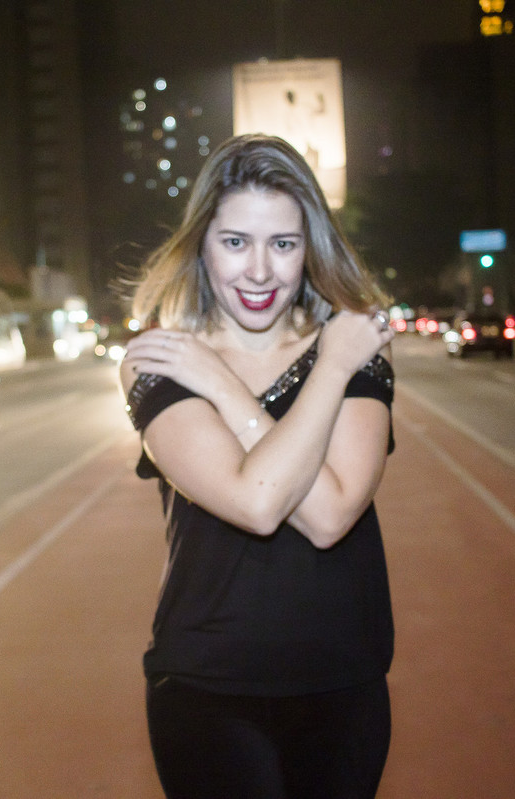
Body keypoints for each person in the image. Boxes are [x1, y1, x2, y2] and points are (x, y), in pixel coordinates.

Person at [120, 133, 397, 799]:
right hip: (207, 689)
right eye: (236, 242)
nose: (260, 271)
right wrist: (327, 368)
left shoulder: (355, 349)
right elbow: (259, 502)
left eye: (283, 244)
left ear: (310, 249)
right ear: (202, 245)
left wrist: (233, 388)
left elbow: (330, 515)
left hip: (341, 682)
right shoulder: (160, 360)